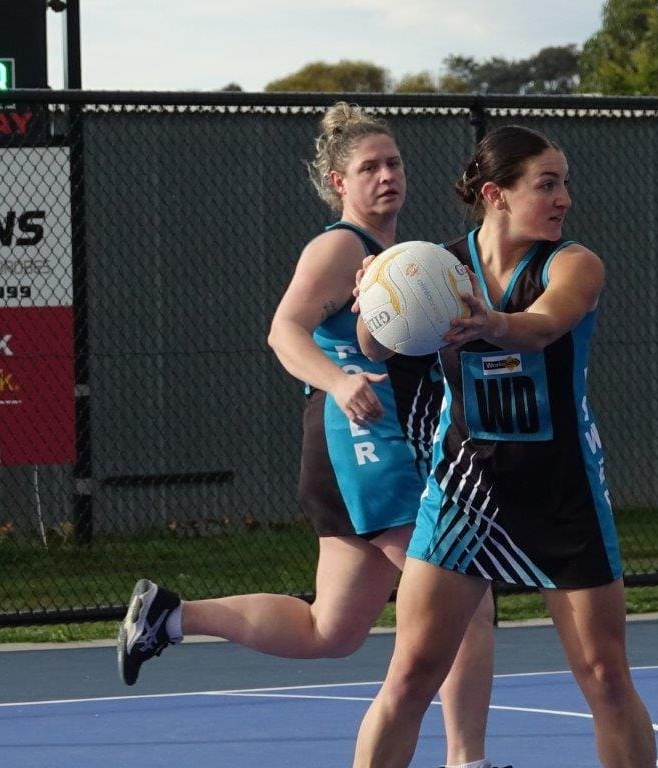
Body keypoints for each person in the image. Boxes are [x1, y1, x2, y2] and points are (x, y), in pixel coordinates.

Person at [118, 102, 503, 768]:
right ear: (340, 185)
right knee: (464, 601)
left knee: (333, 628)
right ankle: (465, 761)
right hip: (364, 442)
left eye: (395, 162)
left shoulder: (397, 261)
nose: (388, 176)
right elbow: (284, 330)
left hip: (374, 442)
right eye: (369, 167)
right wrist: (337, 380)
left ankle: (170, 616)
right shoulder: (340, 247)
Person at [350, 125, 657, 767]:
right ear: (496, 194)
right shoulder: (429, 269)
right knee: (408, 677)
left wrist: (492, 324)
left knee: (604, 675)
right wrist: (375, 301)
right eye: (547, 184)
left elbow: (544, 328)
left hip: (560, 490)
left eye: (564, 183)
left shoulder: (574, 263)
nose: (563, 197)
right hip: (466, 490)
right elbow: (375, 347)